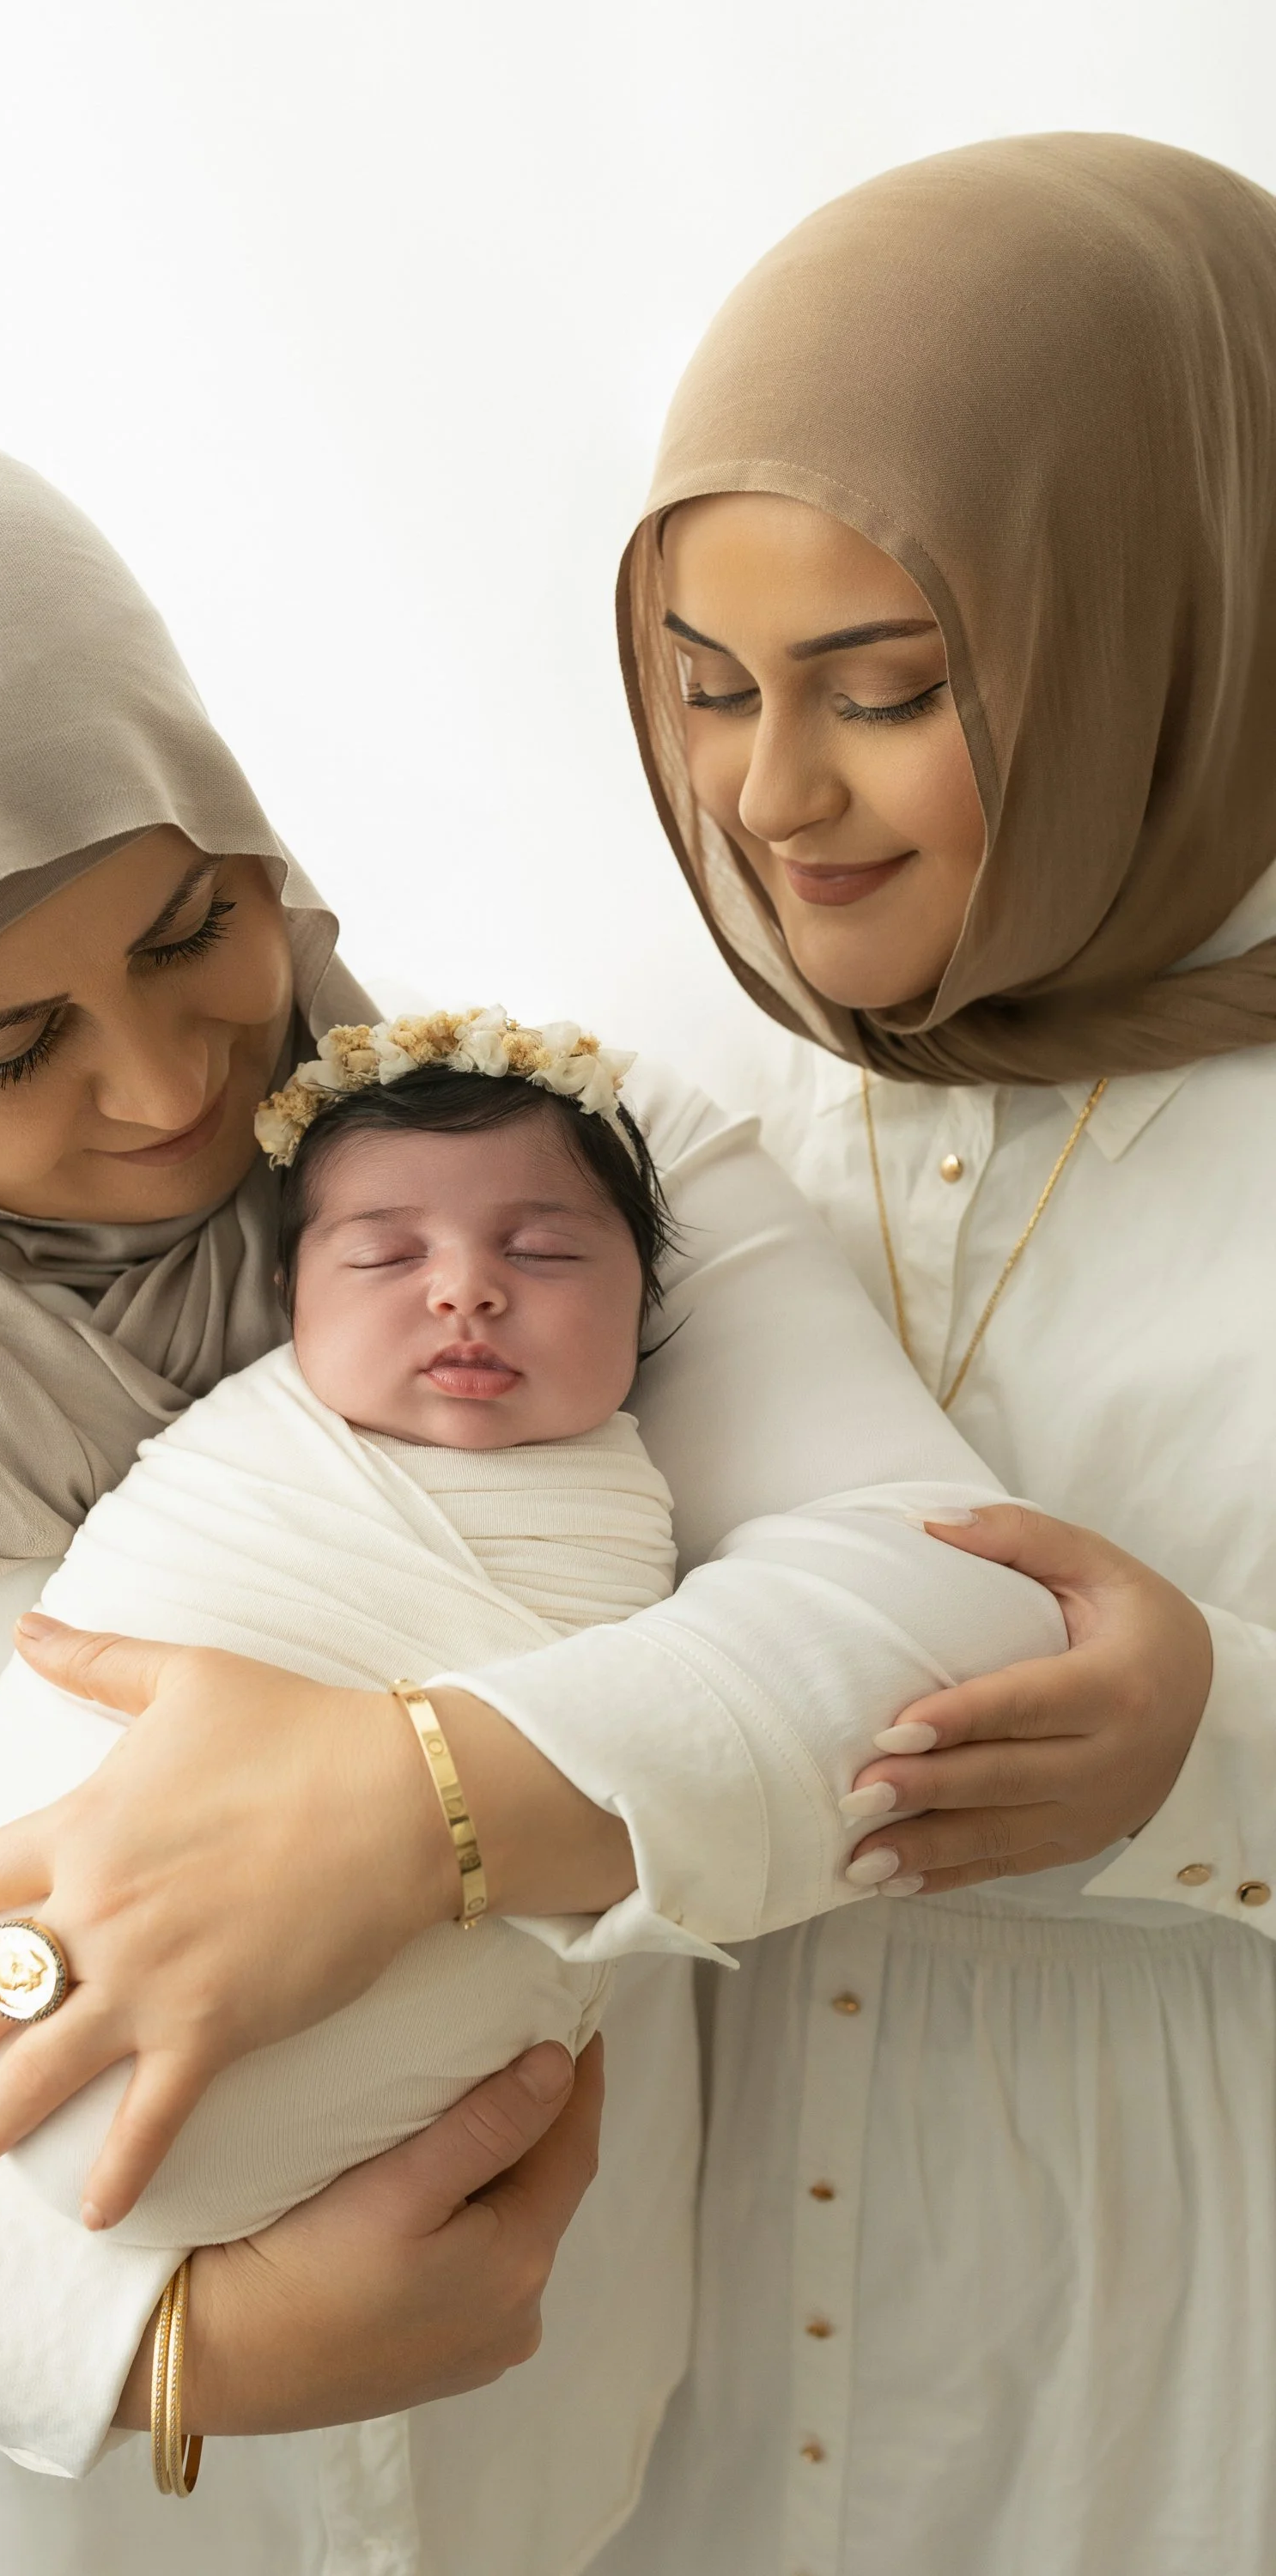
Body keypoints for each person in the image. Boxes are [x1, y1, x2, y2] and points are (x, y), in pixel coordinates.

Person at [0, 403, 1078, 2576]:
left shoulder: (531, 1165)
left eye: (193, 928)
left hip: (623, 2499)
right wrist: (165, 2337)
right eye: (1, 1050)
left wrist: (420, 1807)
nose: (172, 1083)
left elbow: (945, 1609)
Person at [586, 131, 1276, 2576]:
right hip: (671, 2312)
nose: (775, 801)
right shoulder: (655, 1084)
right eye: (705, 692)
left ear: (1165, 635)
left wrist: (1223, 1756)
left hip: (1172, 2329)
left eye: (886, 696)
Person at [0, 1025, 686, 2301]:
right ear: (292, 1299)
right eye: (387, 1254)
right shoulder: (240, 1457)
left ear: (649, 1300)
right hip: (10, 2205)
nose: (465, 1291)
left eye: (547, 1251)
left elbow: (642, 1750)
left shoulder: (625, 1516)